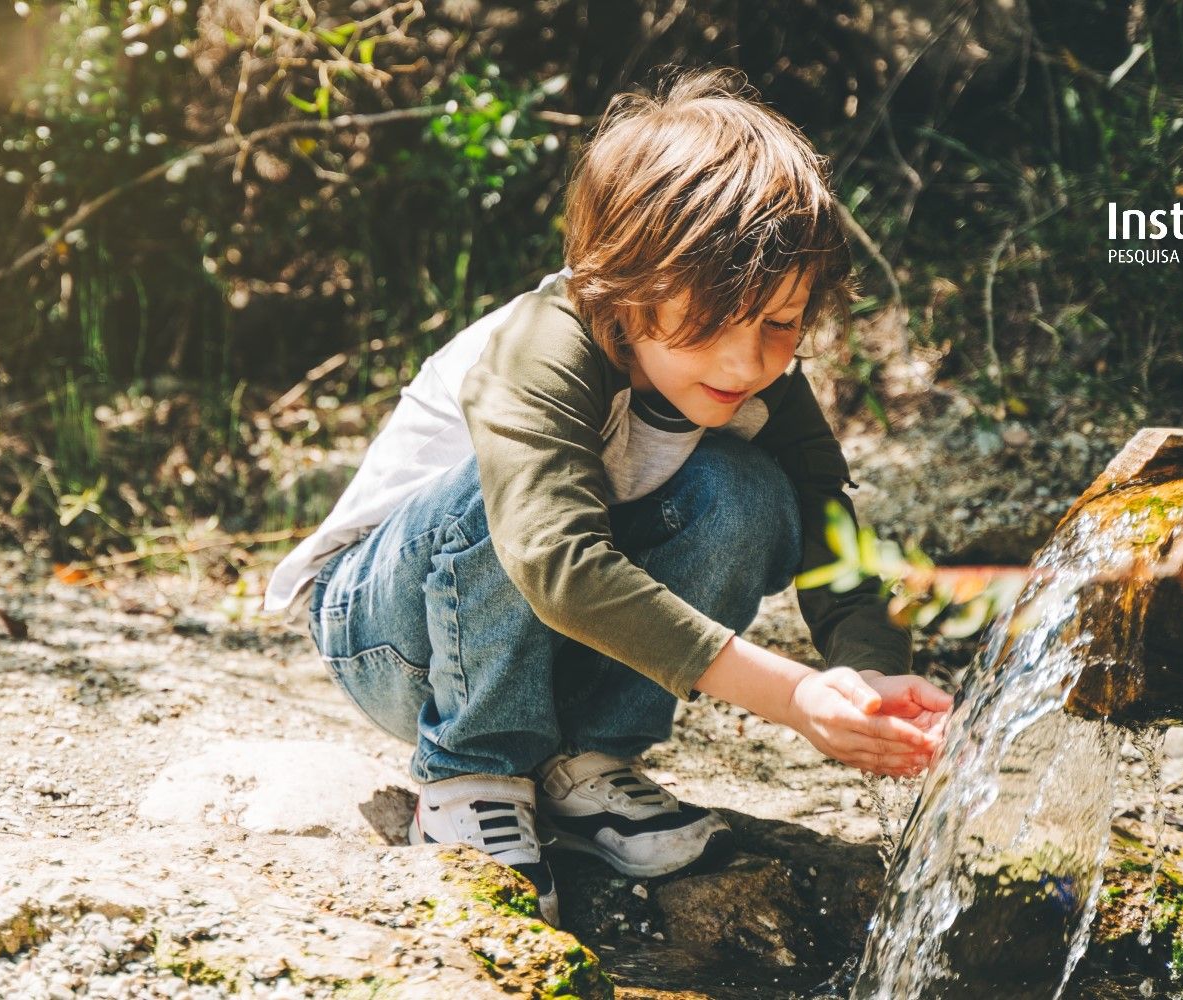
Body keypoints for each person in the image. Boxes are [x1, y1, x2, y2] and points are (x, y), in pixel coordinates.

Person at [260, 68, 951, 926]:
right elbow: (555, 564)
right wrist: (794, 697)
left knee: (752, 495)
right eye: (711, 319)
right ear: (625, 281)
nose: (748, 361)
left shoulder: (764, 381)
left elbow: (826, 524)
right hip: (393, 638)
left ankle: (586, 764)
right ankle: (472, 769)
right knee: (507, 501)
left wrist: (873, 673)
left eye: (781, 322)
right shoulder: (539, 350)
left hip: (549, 642)